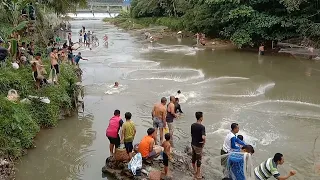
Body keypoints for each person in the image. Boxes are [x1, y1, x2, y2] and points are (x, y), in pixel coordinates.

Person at [191, 111, 206, 179]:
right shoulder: (202, 127)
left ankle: (194, 171)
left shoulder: (192, 125)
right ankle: (198, 174)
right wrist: (204, 142)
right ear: (201, 118)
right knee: (199, 160)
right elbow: (203, 137)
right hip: (198, 145)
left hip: (193, 143)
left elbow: (191, 134)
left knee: (193, 158)